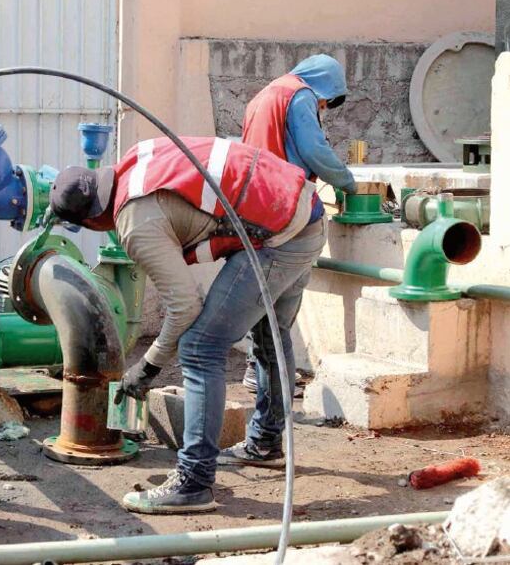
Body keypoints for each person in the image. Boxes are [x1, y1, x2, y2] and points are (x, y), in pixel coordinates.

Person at [49, 136, 327, 514]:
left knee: (200, 348)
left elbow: (184, 307)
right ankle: (264, 443)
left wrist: (147, 367)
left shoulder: (133, 222)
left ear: (93, 220)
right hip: (303, 211)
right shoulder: (135, 161)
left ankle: (194, 482)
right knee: (269, 334)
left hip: (280, 239)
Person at [238, 55, 356, 403]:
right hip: (287, 207)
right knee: (282, 307)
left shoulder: (265, 95)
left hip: (255, 204)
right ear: (322, 85)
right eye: (326, 100)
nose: (322, 106)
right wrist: (347, 182)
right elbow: (313, 149)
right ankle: (274, 400)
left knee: (261, 300)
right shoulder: (299, 95)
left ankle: (254, 371)